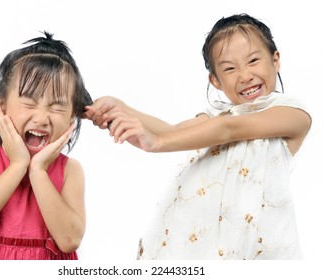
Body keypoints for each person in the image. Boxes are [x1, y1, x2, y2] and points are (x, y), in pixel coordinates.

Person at [85, 14, 312, 259]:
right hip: (204, 248)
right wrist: (120, 107)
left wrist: (156, 144)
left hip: (255, 251)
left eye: (253, 60)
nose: (245, 75)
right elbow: (172, 131)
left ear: (275, 60)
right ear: (215, 80)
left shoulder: (292, 113)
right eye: (230, 68)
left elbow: (231, 129)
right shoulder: (217, 115)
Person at [0, 31, 89, 260]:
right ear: (2, 106)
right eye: (29, 102)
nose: (41, 117)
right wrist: (18, 165)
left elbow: (69, 240)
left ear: (71, 119)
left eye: (56, 107)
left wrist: (38, 171)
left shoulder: (70, 170)